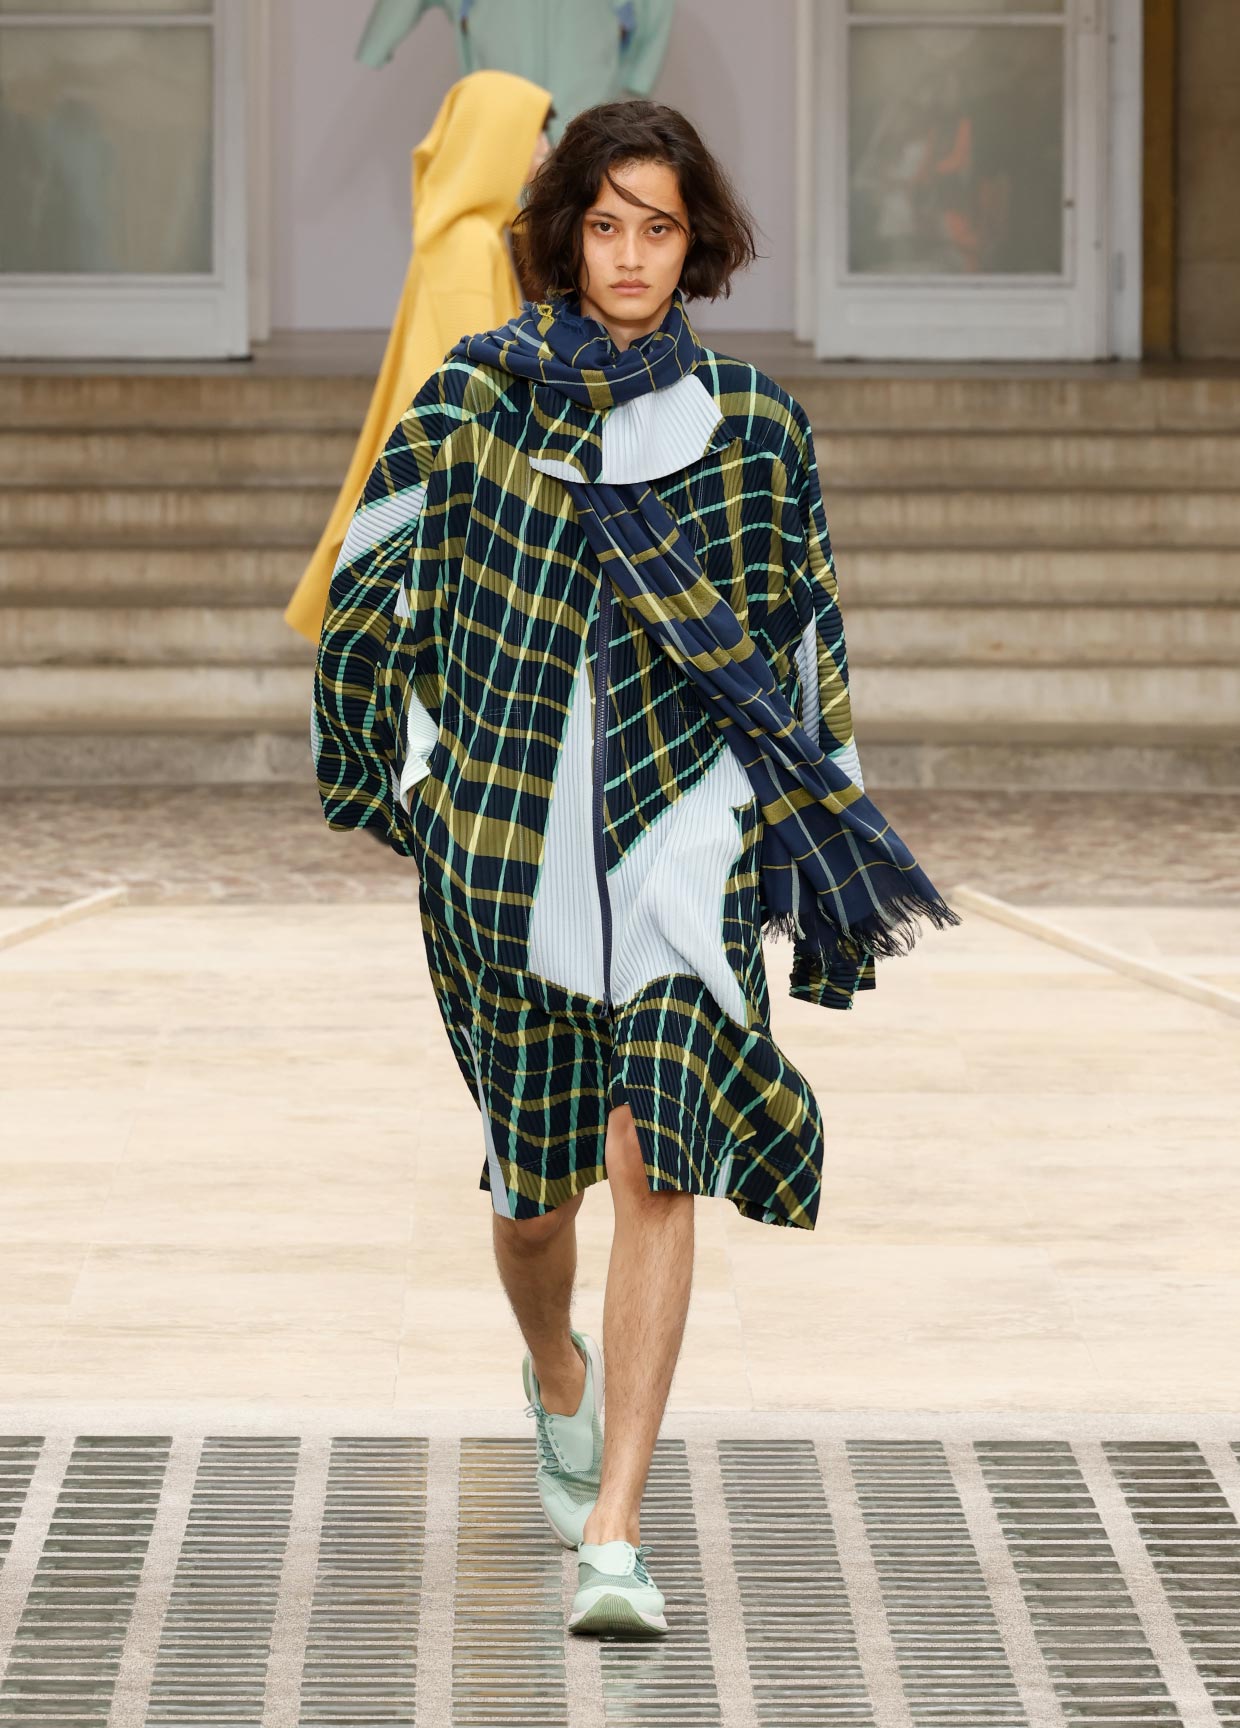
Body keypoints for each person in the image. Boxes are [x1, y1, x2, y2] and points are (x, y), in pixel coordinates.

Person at [311, 99, 961, 1637]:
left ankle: (617, 1528)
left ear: (696, 242)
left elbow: (803, 640)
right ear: (564, 236)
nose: (627, 254)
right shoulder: (478, 397)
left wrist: (820, 843)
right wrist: (405, 779)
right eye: (603, 224)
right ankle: (556, 1371)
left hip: (686, 836)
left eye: (656, 227)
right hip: (512, 843)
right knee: (534, 1196)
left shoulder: (755, 425)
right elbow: (370, 583)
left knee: (657, 1152)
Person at [284, 69, 553, 643]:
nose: (545, 148)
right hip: (456, 468)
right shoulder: (468, 242)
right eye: (534, 131)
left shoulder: (464, 233)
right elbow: (476, 375)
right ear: (497, 136)